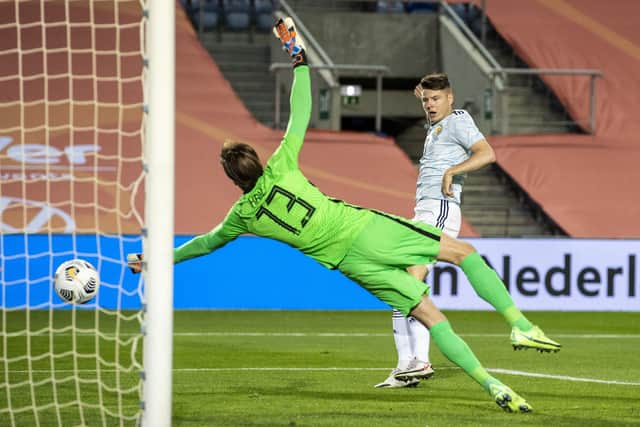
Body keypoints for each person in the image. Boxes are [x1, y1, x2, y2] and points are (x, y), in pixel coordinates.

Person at [129, 17, 561, 413]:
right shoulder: (282, 165)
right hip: (366, 230)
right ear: (257, 162)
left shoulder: (242, 216)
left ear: (233, 181)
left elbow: (203, 245)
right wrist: (298, 58)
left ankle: (492, 385)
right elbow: (301, 110)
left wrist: (152, 261)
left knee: (428, 315)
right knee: (462, 253)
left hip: (349, 264)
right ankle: (519, 324)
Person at [375, 74, 498, 389]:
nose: (430, 105)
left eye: (436, 99)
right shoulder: (437, 125)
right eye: (426, 99)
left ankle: (421, 361)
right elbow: (435, 115)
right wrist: (424, 98)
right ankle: (406, 366)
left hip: (440, 209)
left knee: (409, 283)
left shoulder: (458, 120)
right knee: (401, 286)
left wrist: (453, 171)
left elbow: (487, 153)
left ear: (451, 97)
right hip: (423, 212)